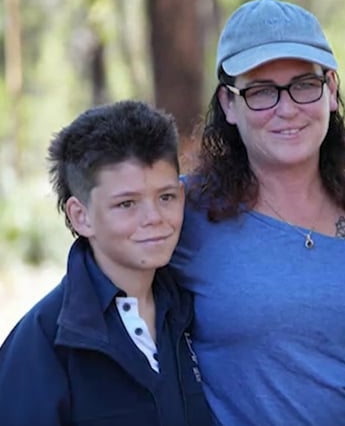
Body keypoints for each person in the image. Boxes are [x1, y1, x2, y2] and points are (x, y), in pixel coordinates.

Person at [170, 0, 345, 425]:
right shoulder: (184, 212)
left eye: (304, 85)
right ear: (229, 105)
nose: (287, 109)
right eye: (261, 92)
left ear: (331, 89)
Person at [0, 100, 214, 425]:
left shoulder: (192, 309)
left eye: (166, 197)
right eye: (127, 203)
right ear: (81, 216)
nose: (154, 218)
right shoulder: (43, 342)